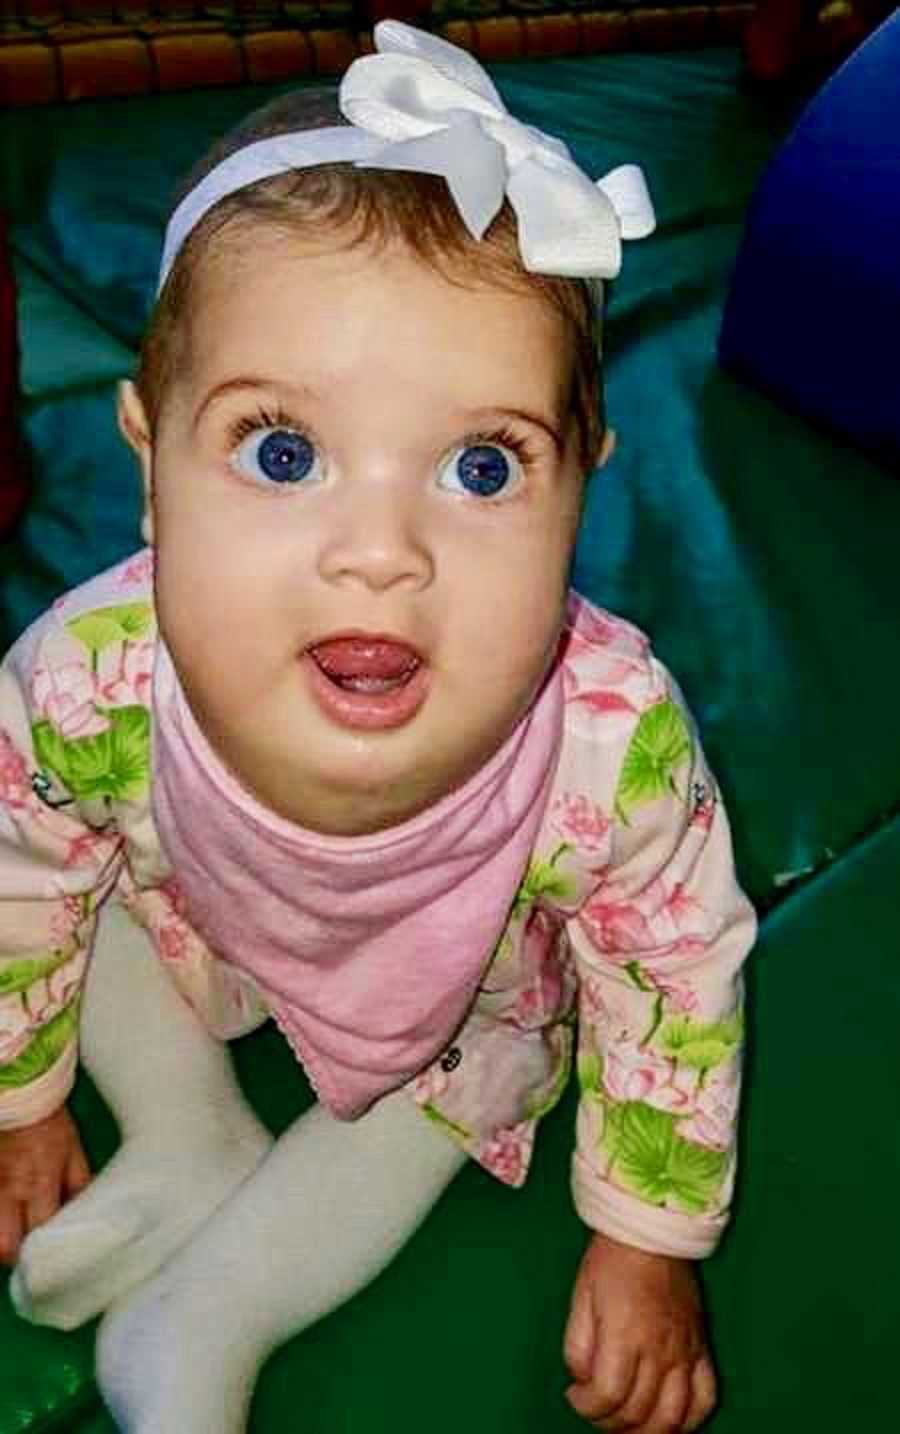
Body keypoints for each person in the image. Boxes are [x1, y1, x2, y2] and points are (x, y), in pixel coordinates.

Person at [0, 22, 756, 1434]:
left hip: (456, 995)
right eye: (281, 453)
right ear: (150, 465)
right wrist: (26, 1093)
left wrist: (649, 1237)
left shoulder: (608, 743)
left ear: (582, 484)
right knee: (44, 868)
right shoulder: (93, 673)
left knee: (480, 1074)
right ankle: (180, 1128)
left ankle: (208, 1308)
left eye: (482, 467)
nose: (379, 551)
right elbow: (23, 868)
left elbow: (675, 974)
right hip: (193, 910)